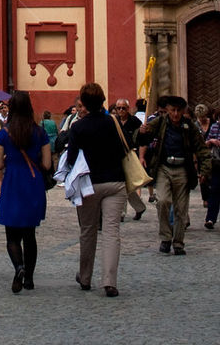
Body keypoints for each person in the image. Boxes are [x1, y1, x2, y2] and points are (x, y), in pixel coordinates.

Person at [65, 82, 125, 297]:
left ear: (84, 102)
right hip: (115, 182)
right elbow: (123, 150)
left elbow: (71, 158)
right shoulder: (113, 122)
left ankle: (85, 277)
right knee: (111, 231)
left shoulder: (78, 127)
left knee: (88, 230)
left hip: (89, 184)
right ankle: (109, 281)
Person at [0, 91, 51, 293]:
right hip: (33, 183)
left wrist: (9, 159)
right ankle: (29, 280)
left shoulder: (4, 134)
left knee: (12, 236)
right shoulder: (40, 133)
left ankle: (19, 267)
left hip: (13, 183)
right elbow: (47, 164)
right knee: (30, 235)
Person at [138, 94, 210, 255]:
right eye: (173, 110)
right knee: (163, 201)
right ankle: (165, 237)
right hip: (164, 167)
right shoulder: (160, 122)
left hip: (183, 169)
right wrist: (142, 132)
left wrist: (205, 169)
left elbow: (201, 148)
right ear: (168, 110)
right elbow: (142, 138)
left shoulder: (189, 126)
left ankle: (178, 242)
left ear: (183, 111)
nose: (176, 114)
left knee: (181, 208)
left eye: (178, 110)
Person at [113, 99, 145, 220]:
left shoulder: (134, 121)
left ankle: (122, 212)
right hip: (117, 155)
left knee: (125, 183)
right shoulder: (114, 121)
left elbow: (142, 139)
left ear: (128, 109)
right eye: (118, 108)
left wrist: (141, 156)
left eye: (123, 108)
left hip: (130, 155)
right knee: (124, 184)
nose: (121, 110)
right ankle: (138, 207)